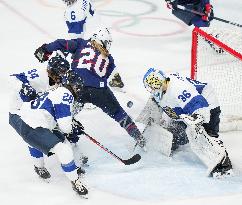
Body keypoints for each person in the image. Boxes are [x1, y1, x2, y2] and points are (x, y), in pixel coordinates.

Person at [34, 28, 146, 149]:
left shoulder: (81, 43)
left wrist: (45, 49)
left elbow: (61, 43)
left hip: (75, 87)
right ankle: (139, 137)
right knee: (118, 113)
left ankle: (67, 144)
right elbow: (111, 79)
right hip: (99, 90)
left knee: (66, 115)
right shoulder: (110, 59)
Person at [141, 67, 233, 178]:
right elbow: (152, 114)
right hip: (186, 114)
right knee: (172, 136)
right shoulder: (158, 93)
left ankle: (224, 166)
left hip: (207, 106)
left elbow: (196, 102)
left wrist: (198, 117)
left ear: (163, 78)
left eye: (156, 82)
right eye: (151, 85)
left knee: (206, 136)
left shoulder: (176, 87)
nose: (154, 86)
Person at [9, 70, 88, 197]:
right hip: (28, 122)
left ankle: (43, 167)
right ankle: (75, 181)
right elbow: (65, 127)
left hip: (24, 117)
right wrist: (72, 127)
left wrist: (70, 123)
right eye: (77, 86)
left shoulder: (57, 90)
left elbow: (54, 114)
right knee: (64, 150)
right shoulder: (65, 94)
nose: (78, 89)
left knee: (61, 142)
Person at [62, 0, 124, 89]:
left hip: (92, 36)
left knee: (92, 58)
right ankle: (114, 78)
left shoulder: (72, 10)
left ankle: (109, 78)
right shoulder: (82, 2)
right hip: (100, 31)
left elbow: (76, 34)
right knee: (101, 56)